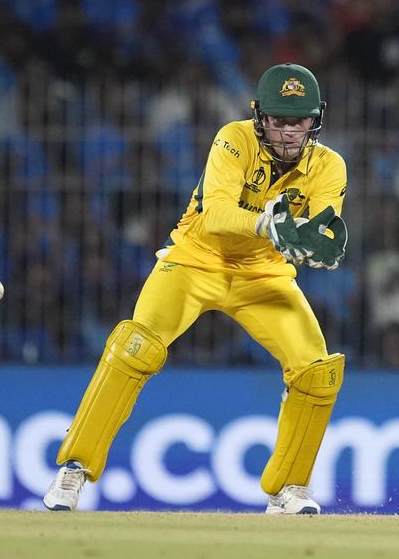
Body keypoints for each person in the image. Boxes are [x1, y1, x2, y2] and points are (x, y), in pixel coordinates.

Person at [42, 64, 350, 514]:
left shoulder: (330, 165)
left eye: (298, 120)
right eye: (278, 120)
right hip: (195, 259)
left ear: (315, 119)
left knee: (316, 371)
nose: (288, 131)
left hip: (262, 274)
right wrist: (272, 225)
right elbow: (218, 213)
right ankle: (73, 469)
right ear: (260, 117)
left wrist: (320, 246)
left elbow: (321, 229)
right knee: (135, 346)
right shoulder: (233, 138)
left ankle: (289, 489)